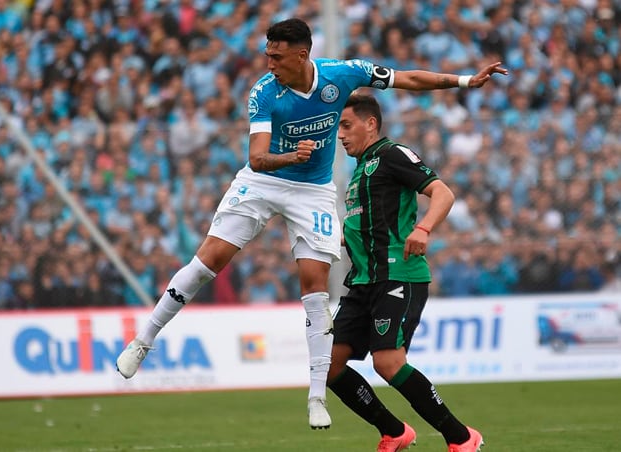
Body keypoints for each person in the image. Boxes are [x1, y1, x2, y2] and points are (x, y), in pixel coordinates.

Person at [116, 17, 507, 429]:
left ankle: (316, 395)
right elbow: (257, 158)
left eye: (277, 56)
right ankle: (144, 340)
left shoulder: (342, 75)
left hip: (313, 191)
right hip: (265, 179)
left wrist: (465, 82)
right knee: (210, 258)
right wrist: (292, 157)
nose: (269, 63)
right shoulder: (264, 93)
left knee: (314, 281)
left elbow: (407, 78)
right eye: (267, 55)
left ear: (302, 54)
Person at [330, 94, 482, 452]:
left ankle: (462, 438)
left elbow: (442, 193)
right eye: (338, 127)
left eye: (347, 125)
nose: (341, 135)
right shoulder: (359, 172)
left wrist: (424, 229)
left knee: (388, 362)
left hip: (399, 276)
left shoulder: (392, 154)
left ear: (371, 124)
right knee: (328, 363)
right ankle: (395, 431)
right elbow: (363, 229)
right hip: (364, 281)